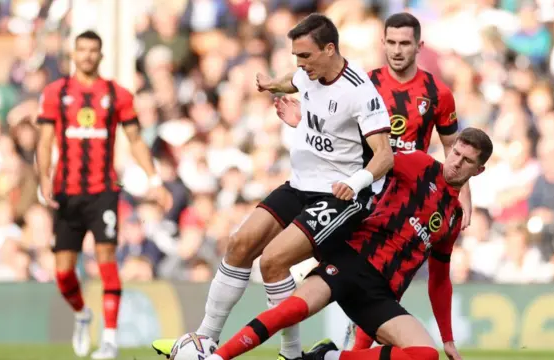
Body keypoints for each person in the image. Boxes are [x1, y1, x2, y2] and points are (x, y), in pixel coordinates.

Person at [152, 13, 393, 360]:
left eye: (305, 56)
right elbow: (293, 81)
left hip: (338, 195)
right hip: (300, 185)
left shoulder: (359, 91)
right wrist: (272, 85)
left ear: (329, 49)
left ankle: (290, 354)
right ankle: (205, 339)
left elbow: (384, 157)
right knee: (239, 244)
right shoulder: (308, 73)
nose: (300, 64)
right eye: (295, 56)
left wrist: (354, 183)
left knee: (274, 260)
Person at [196, 127, 493, 360]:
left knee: (424, 355)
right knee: (291, 311)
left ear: (478, 171)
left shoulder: (453, 216)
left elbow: (440, 280)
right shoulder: (418, 163)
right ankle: (219, 357)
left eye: (467, 161)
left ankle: (327, 356)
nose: (456, 163)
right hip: (351, 261)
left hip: (380, 295)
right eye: (456, 153)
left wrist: (448, 339)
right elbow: (370, 159)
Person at [273, 12, 473, 350]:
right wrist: (302, 123)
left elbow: (454, 150)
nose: (397, 50)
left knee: (383, 286)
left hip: (405, 201)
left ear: (419, 46)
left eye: (405, 43)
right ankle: (301, 347)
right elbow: (337, 128)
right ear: (383, 44)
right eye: (391, 43)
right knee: (338, 265)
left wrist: (464, 199)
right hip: (363, 190)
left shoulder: (438, 93)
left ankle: (340, 350)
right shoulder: (366, 83)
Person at [36, 30, 171, 360]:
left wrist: (154, 177)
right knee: (64, 272)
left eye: (92, 50)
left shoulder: (117, 94)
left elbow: (136, 139)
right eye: (81, 50)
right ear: (73, 53)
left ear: (101, 55)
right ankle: (83, 314)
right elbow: (43, 140)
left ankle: (109, 339)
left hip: (103, 191)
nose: (86, 55)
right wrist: (43, 178)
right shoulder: (56, 92)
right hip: (67, 193)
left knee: (107, 260)